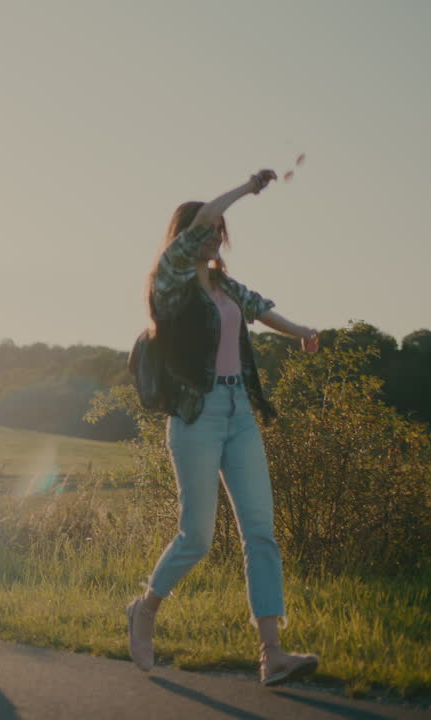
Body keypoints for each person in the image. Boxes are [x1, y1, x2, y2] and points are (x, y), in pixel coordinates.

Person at [127, 170, 321, 686]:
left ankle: (272, 654)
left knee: (261, 532)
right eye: (208, 229)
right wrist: (246, 187)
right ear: (188, 233)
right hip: (197, 417)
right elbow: (204, 220)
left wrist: (302, 331)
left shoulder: (225, 284)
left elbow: (259, 309)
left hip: (240, 413)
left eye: (220, 230)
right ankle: (145, 609)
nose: (217, 234)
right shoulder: (169, 279)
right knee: (196, 537)